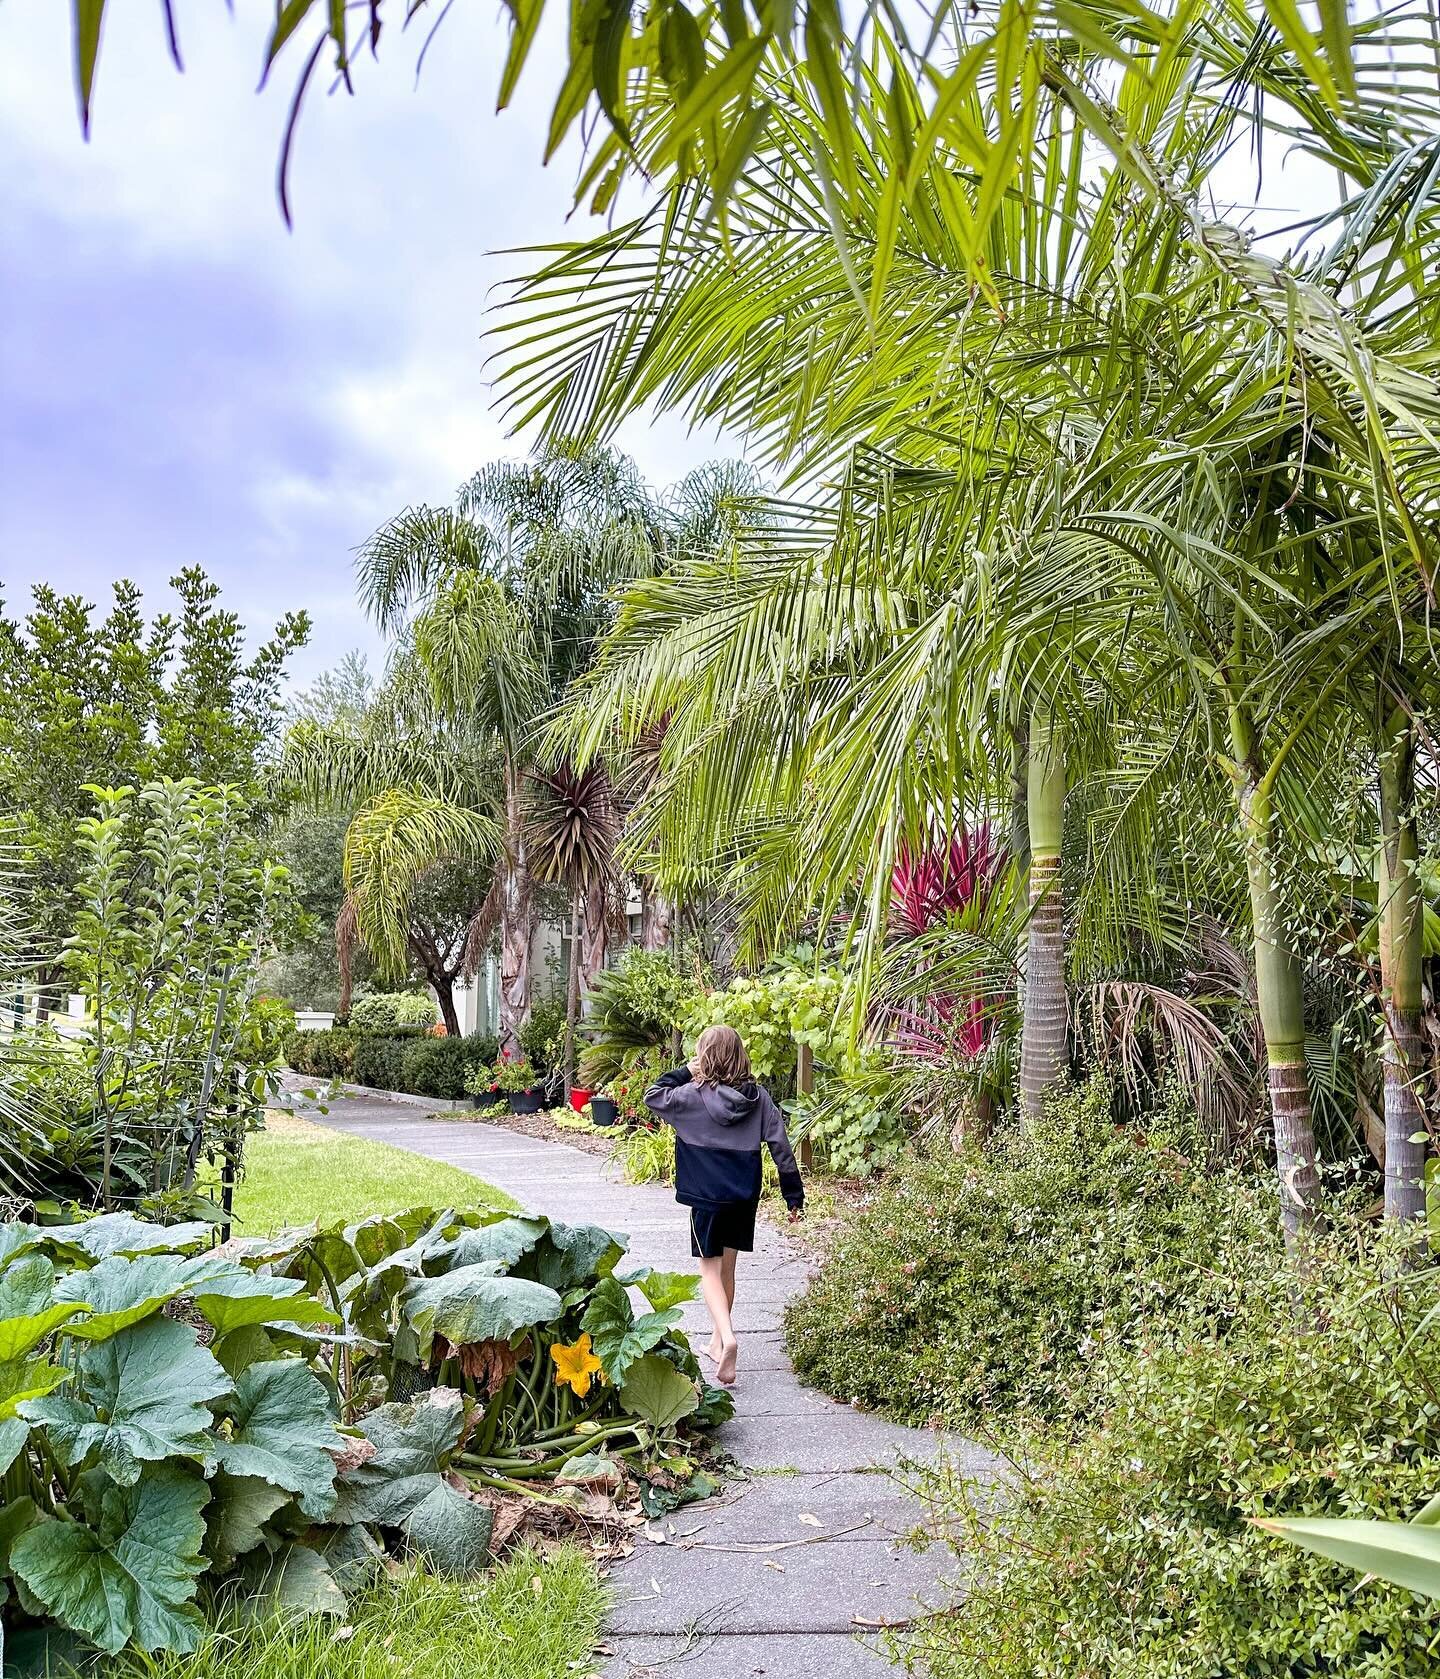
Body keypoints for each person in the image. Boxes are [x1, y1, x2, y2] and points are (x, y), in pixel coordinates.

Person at [643, 1024, 805, 1386]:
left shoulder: (689, 1095)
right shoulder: (759, 1098)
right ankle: (717, 1343)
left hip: (706, 1197)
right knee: (727, 1270)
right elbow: (781, 1148)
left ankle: (728, 1337)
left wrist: (688, 1069)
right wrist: (794, 1197)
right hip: (742, 1198)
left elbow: (653, 1094)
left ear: (705, 1057)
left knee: (708, 1270)